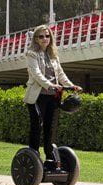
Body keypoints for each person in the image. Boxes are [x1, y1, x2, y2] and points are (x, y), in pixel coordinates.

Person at [24, 25, 82, 168]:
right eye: (41, 36)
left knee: (51, 128)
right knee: (37, 125)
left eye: (47, 36)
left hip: (53, 97)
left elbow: (61, 74)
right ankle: (34, 155)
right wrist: (50, 85)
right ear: (36, 39)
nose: (45, 39)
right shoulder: (31, 54)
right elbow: (36, 74)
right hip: (37, 97)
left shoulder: (53, 55)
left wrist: (71, 85)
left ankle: (50, 158)